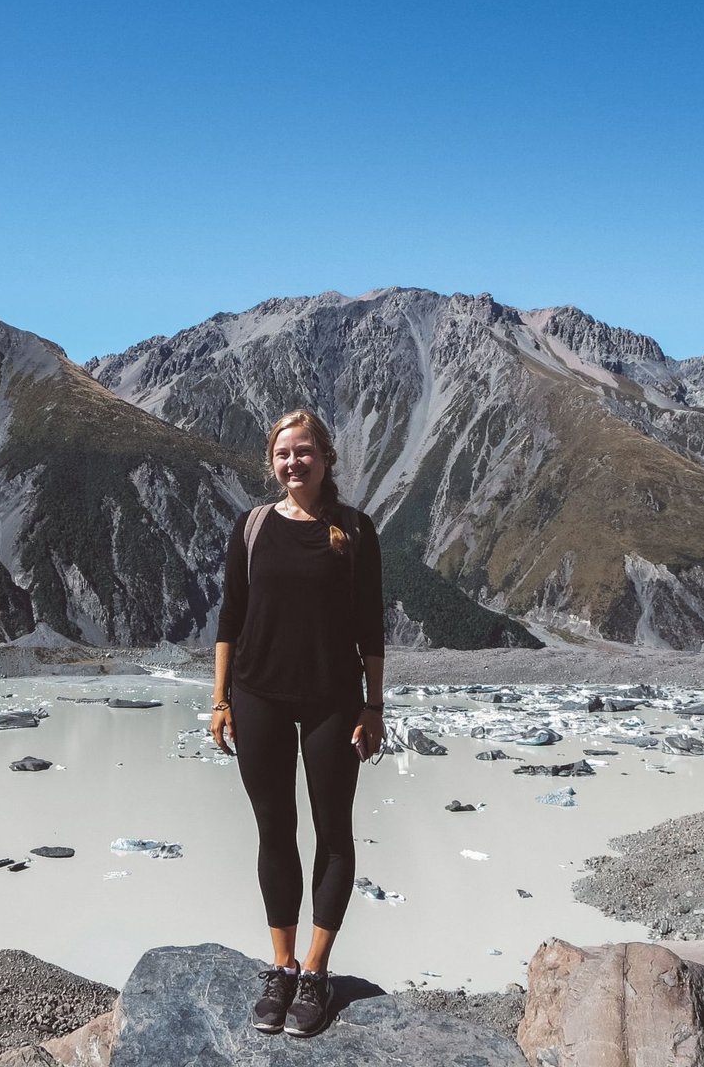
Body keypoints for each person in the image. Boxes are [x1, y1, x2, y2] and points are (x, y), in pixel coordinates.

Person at [211, 408, 386, 1037]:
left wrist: (375, 705)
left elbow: (371, 627)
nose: (294, 462)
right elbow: (230, 617)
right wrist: (220, 699)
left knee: (333, 832)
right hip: (257, 695)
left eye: (304, 452)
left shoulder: (355, 531)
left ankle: (316, 970)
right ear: (272, 461)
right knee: (274, 830)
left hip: (333, 701)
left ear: (326, 458)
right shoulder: (253, 526)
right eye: (284, 453)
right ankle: (280, 965)